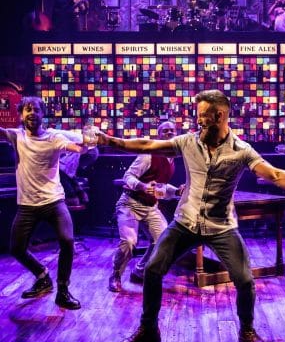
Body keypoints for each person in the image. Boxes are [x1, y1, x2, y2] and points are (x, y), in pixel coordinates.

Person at [96, 89, 285, 342]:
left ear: (220, 115)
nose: (198, 120)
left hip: (221, 227)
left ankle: (247, 330)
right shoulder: (187, 142)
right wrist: (111, 141)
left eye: (203, 116)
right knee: (153, 269)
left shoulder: (241, 151)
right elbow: (147, 145)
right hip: (185, 223)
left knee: (244, 279)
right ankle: (148, 330)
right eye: (198, 115)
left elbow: (275, 175)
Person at [0, 96, 94, 309]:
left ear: (43, 114)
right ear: (21, 115)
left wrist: (87, 143)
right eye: (27, 109)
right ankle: (42, 277)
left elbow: (77, 148)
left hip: (53, 201)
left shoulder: (53, 137)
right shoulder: (16, 136)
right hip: (27, 205)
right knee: (16, 248)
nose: (32, 113)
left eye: (36, 109)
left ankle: (63, 291)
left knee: (67, 241)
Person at [108, 121, 184, 292]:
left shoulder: (171, 160)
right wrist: (142, 186)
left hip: (150, 207)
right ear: (159, 135)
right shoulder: (148, 155)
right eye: (165, 130)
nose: (169, 133)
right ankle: (116, 275)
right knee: (129, 242)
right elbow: (128, 176)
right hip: (130, 203)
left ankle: (140, 272)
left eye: (172, 130)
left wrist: (177, 191)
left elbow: (161, 186)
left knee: (164, 240)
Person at [48, 127, 99, 206]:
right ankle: (81, 194)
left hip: (88, 149)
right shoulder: (50, 133)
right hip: (90, 148)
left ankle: (72, 198)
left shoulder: (48, 135)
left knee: (62, 171)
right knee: (67, 172)